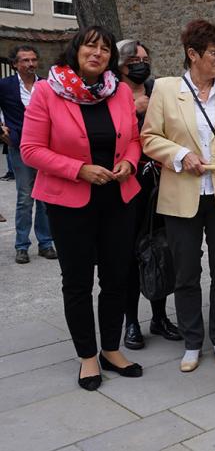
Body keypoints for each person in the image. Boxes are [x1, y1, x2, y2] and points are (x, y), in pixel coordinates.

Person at [20, 26, 144, 391]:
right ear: (75, 50)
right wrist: (79, 169)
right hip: (70, 200)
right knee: (77, 282)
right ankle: (87, 356)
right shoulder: (47, 91)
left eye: (105, 48)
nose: (98, 53)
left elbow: (134, 139)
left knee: (116, 277)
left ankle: (111, 348)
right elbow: (30, 150)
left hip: (118, 198)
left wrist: (130, 164)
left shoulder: (118, 91)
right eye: (91, 46)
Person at [141, 19, 215, 372]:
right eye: (214, 53)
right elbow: (149, 138)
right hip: (181, 196)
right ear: (193, 55)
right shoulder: (165, 89)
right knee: (186, 273)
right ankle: (193, 342)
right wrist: (179, 155)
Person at [115, 39, 182, 350]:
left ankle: (159, 316)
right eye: (133, 60)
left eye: (144, 58)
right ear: (121, 64)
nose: (140, 64)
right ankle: (131, 322)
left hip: (159, 182)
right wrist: (131, 108)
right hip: (127, 184)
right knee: (130, 254)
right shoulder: (110, 91)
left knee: (160, 250)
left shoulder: (157, 90)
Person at [0, 45, 57, 264]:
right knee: (25, 197)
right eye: (24, 60)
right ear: (15, 64)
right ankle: (21, 245)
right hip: (20, 146)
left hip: (46, 147)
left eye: (33, 60)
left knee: (44, 198)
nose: (30, 64)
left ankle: (45, 243)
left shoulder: (48, 85)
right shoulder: (5, 85)